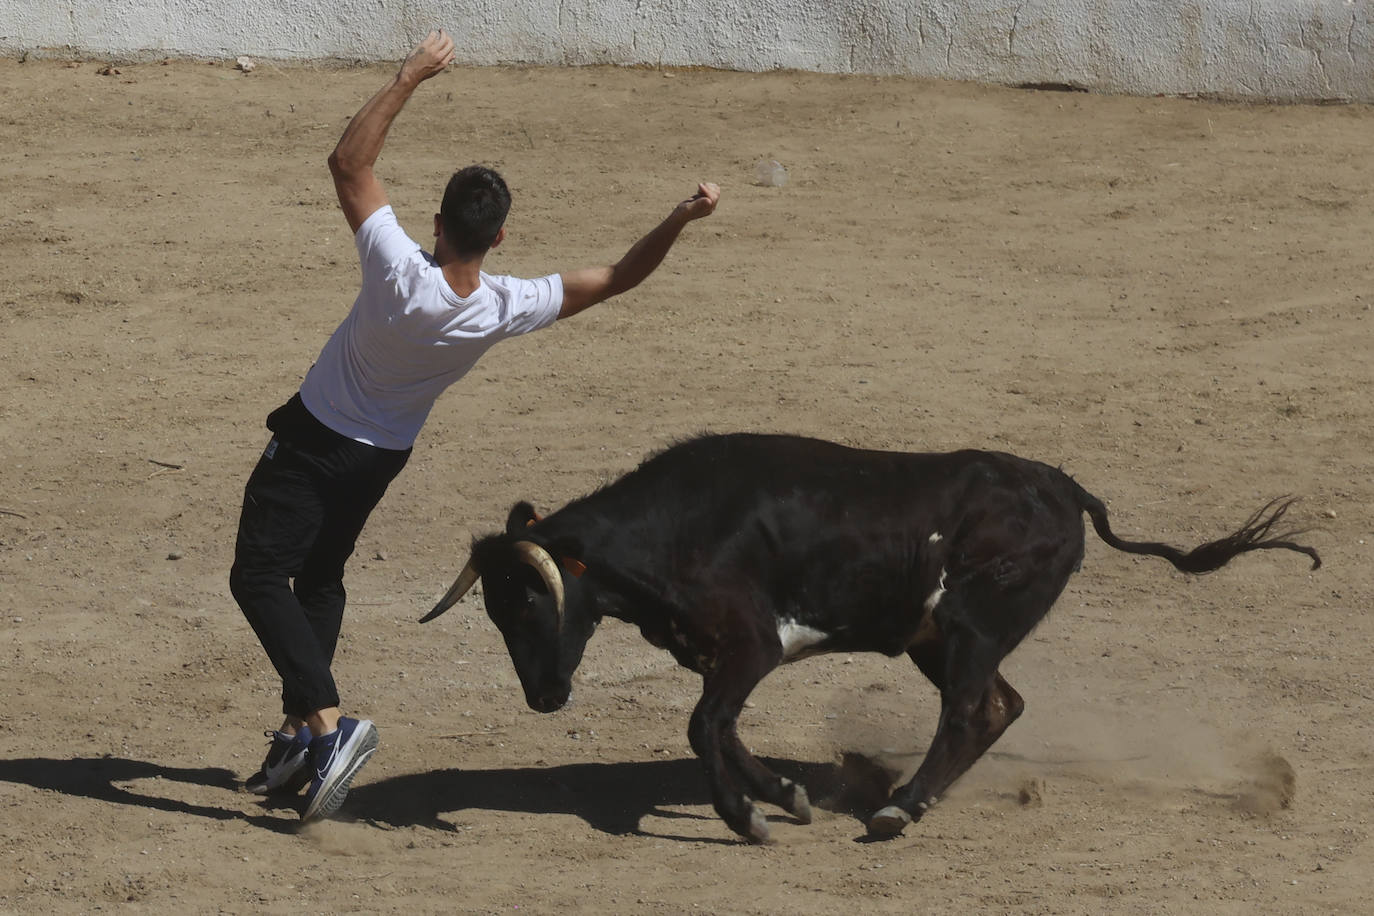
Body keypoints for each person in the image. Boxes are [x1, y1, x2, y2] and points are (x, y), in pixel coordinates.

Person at [228, 28, 720, 823]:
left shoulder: (396, 267)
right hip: (380, 458)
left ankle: (327, 723)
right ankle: (296, 737)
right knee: (317, 579)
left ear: (436, 221)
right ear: (498, 238)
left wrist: (410, 76)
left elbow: (349, 163)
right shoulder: (501, 306)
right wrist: (680, 217)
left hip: (315, 443)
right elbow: (619, 278)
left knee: (256, 576)